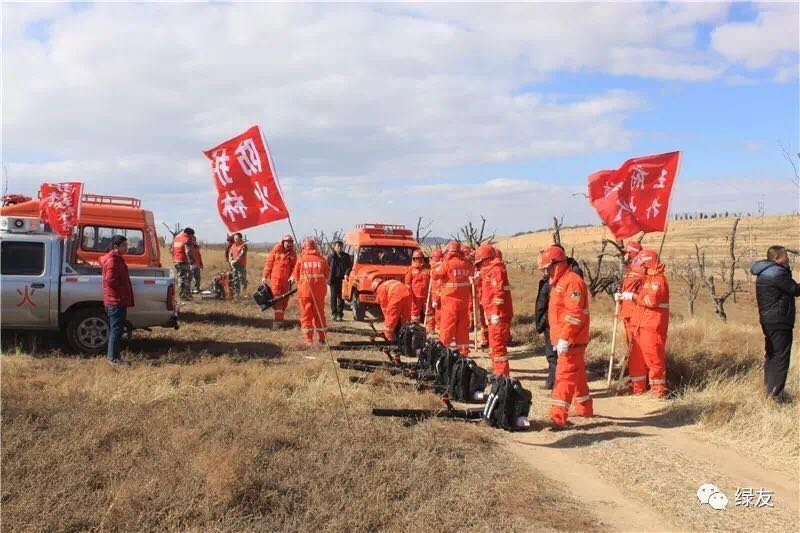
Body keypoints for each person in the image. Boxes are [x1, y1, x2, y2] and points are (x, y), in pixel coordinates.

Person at [541, 245, 593, 428]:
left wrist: (564, 337)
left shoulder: (572, 282)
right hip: (566, 339)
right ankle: (585, 408)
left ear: (556, 264)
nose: (545, 272)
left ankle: (557, 416)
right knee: (577, 375)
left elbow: (574, 314)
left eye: (547, 268)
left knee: (564, 375)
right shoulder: (559, 282)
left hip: (572, 339)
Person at [618, 249, 670, 397]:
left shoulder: (658, 280)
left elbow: (651, 301)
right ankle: (638, 389)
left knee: (653, 358)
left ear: (647, 262)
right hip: (640, 323)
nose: (640, 265)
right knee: (637, 358)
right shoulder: (647, 278)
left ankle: (658, 392)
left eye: (642, 263)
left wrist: (633, 297)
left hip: (653, 325)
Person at [751, 246, 800, 399]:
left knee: (772, 355)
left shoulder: (766, 271)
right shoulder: (777, 273)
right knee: (780, 358)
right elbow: (795, 289)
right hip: (779, 320)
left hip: (769, 319)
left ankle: (769, 391)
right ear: (778, 258)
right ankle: (776, 397)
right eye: (786, 256)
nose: (788, 258)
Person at [475, 244, 513, 377]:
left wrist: (496, 312)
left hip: (498, 314)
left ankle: (502, 374)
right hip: (492, 313)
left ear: (485, 259)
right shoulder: (489, 270)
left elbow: (498, 293)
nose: (480, 265)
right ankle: (497, 371)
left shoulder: (497, 270)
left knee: (498, 345)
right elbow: (486, 290)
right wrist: (477, 279)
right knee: (494, 345)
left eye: (480, 262)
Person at [432, 241, 475, 355]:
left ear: (449, 251)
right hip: (464, 302)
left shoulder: (447, 264)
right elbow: (473, 272)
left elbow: (434, 275)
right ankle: (463, 352)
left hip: (450, 302)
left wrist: (439, 263)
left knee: (447, 327)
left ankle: (442, 352)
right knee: (462, 328)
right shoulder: (467, 264)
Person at [100, 235, 134, 367]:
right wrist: (122, 294)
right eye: (124, 245)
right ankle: (113, 360)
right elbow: (111, 281)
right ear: (116, 247)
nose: (126, 247)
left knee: (117, 330)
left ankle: (115, 358)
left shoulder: (116, 259)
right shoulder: (113, 261)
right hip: (116, 301)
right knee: (116, 331)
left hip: (116, 300)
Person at [291, 239, 329, 345]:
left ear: (304, 247)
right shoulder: (322, 259)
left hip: (305, 292)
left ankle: (309, 340)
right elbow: (327, 275)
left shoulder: (301, 259)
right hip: (319, 293)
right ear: (315, 247)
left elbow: (296, 276)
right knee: (320, 314)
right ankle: (322, 338)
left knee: (306, 315)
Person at [262, 235, 297, 326]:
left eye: (291, 242)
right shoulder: (276, 250)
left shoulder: (293, 254)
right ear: (283, 242)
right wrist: (264, 276)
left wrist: (293, 276)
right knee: (277, 300)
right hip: (275, 280)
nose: (289, 244)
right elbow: (269, 264)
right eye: (287, 242)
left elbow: (295, 268)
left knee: (284, 301)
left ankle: (280, 319)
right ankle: (278, 322)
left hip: (287, 282)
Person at [535, 252, 557, 389]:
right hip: (548, 321)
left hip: (552, 323)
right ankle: (553, 379)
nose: (544, 271)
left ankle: (553, 381)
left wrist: (543, 320)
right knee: (551, 354)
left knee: (553, 354)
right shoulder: (549, 280)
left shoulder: (555, 282)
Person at [616, 241, 644, 347]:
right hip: (628, 312)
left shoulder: (639, 271)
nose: (625, 256)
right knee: (630, 342)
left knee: (636, 343)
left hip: (634, 314)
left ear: (632, 254)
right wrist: (620, 295)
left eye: (627, 253)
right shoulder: (632, 270)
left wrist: (627, 295)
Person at [372, 276, 413, 342]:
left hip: (396, 295)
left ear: (375, 288)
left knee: (391, 317)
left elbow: (385, 308)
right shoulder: (388, 283)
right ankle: (405, 337)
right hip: (407, 293)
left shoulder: (380, 288)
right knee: (406, 317)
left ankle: (388, 338)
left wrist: (387, 321)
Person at [327, 240, 352, 322]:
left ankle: (340, 314)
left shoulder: (346, 256)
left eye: (341, 246)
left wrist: (346, 274)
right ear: (334, 247)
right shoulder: (331, 256)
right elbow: (327, 266)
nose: (339, 248)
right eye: (338, 246)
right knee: (333, 297)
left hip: (342, 279)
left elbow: (349, 267)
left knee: (341, 297)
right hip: (333, 279)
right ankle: (334, 314)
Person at [404, 250, 431, 324]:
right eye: (417, 258)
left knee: (429, 312)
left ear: (423, 258)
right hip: (415, 296)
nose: (419, 260)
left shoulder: (428, 267)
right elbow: (407, 283)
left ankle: (430, 328)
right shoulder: (410, 269)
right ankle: (415, 327)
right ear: (414, 259)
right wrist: (410, 294)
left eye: (420, 258)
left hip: (427, 295)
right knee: (414, 313)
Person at [171, 227, 195, 300]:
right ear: (189, 234)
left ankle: (187, 294)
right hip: (183, 261)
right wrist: (192, 263)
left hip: (176, 261)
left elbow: (172, 250)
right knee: (184, 278)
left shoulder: (176, 238)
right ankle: (183, 296)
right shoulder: (187, 239)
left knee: (184, 277)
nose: (192, 237)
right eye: (192, 235)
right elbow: (188, 252)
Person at [426, 248, 444, 334]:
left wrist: (435, 299)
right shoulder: (436, 266)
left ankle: (438, 330)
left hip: (436, 295)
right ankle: (432, 329)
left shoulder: (438, 268)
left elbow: (438, 285)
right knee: (431, 313)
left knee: (438, 314)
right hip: (433, 294)